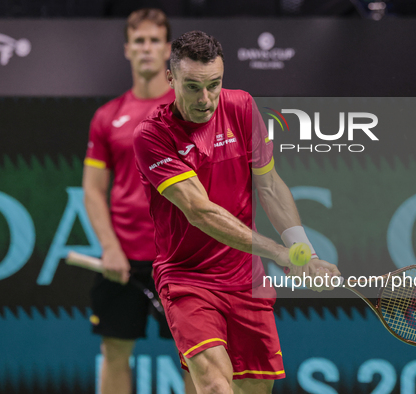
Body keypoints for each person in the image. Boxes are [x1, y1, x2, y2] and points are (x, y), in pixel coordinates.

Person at [133, 30, 341, 394]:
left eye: (214, 84)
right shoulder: (152, 136)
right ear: (171, 78)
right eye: (193, 86)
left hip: (247, 281)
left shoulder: (241, 107)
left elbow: (270, 185)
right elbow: (201, 212)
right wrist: (281, 253)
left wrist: (304, 251)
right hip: (188, 278)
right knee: (214, 385)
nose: (206, 98)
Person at [82, 9, 195, 394]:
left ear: (167, 50)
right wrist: (110, 248)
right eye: (139, 41)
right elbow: (94, 189)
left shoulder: (187, 110)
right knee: (114, 351)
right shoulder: (107, 117)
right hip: (123, 259)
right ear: (128, 49)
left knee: (195, 358)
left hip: (179, 259)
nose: (146, 48)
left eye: (154, 41)